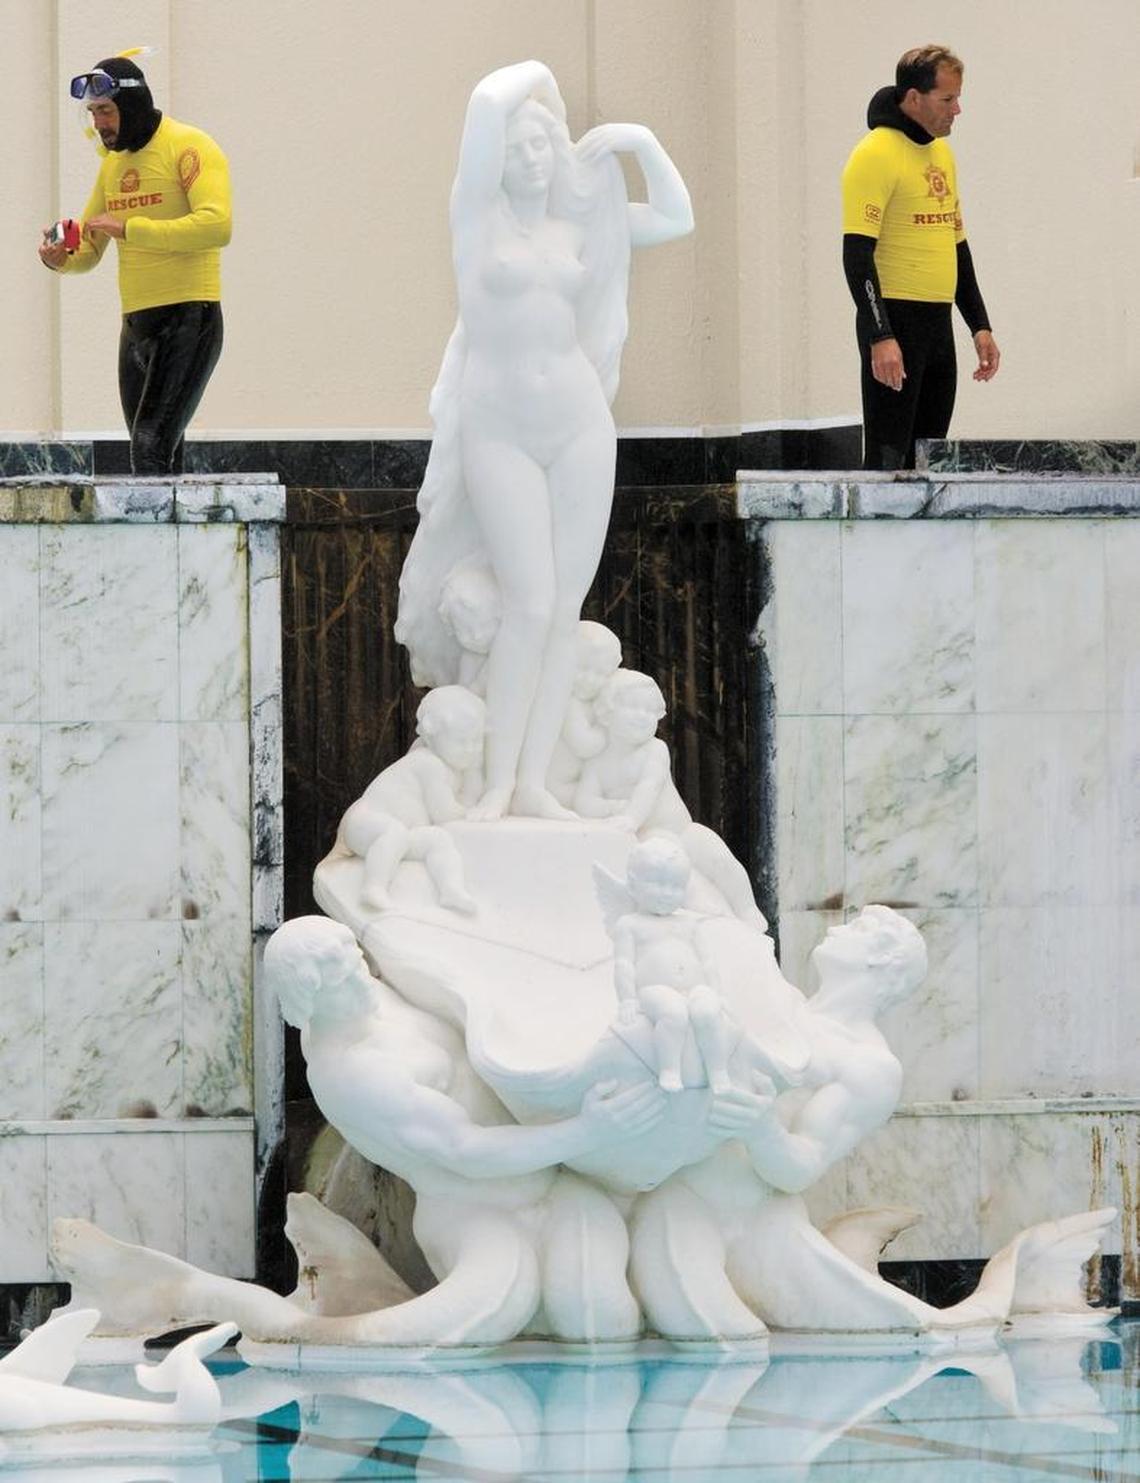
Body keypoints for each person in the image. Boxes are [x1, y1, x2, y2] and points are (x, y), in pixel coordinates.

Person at [394, 60, 692, 821]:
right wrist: (543, 84)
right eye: (521, 145)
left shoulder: (580, 227)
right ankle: (496, 784)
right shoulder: (474, 215)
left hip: (580, 423)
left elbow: (675, 216)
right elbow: (485, 102)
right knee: (526, 603)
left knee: (561, 608)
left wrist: (639, 138)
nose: (531, 157)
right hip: (500, 428)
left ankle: (531, 781)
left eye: (543, 145)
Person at [37, 53, 231, 474]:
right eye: (93, 114)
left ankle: (156, 540)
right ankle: (176, 540)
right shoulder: (113, 167)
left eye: (105, 111)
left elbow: (217, 226)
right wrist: (60, 259)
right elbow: (89, 248)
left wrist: (132, 228)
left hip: (189, 319)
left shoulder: (189, 146)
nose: (99, 124)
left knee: (148, 446)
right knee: (156, 455)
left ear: (133, 104)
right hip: (137, 328)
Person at [841, 44, 999, 470]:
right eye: (947, 99)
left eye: (958, 98)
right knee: (889, 456)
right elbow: (857, 254)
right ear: (914, 98)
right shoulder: (874, 154)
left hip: (937, 324)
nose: (958, 109)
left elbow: (956, 245)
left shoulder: (942, 154)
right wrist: (880, 335)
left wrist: (979, 324)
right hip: (895, 320)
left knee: (929, 457)